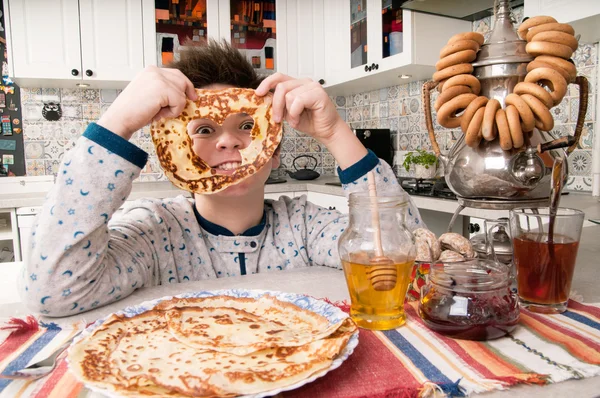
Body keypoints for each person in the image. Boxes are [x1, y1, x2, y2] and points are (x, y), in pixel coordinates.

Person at [21, 40, 425, 317]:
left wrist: (336, 131)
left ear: (274, 147)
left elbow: (411, 264)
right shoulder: (154, 234)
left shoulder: (305, 226)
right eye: (204, 130)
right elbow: (52, 292)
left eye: (246, 126)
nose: (229, 141)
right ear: (173, 153)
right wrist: (117, 122)